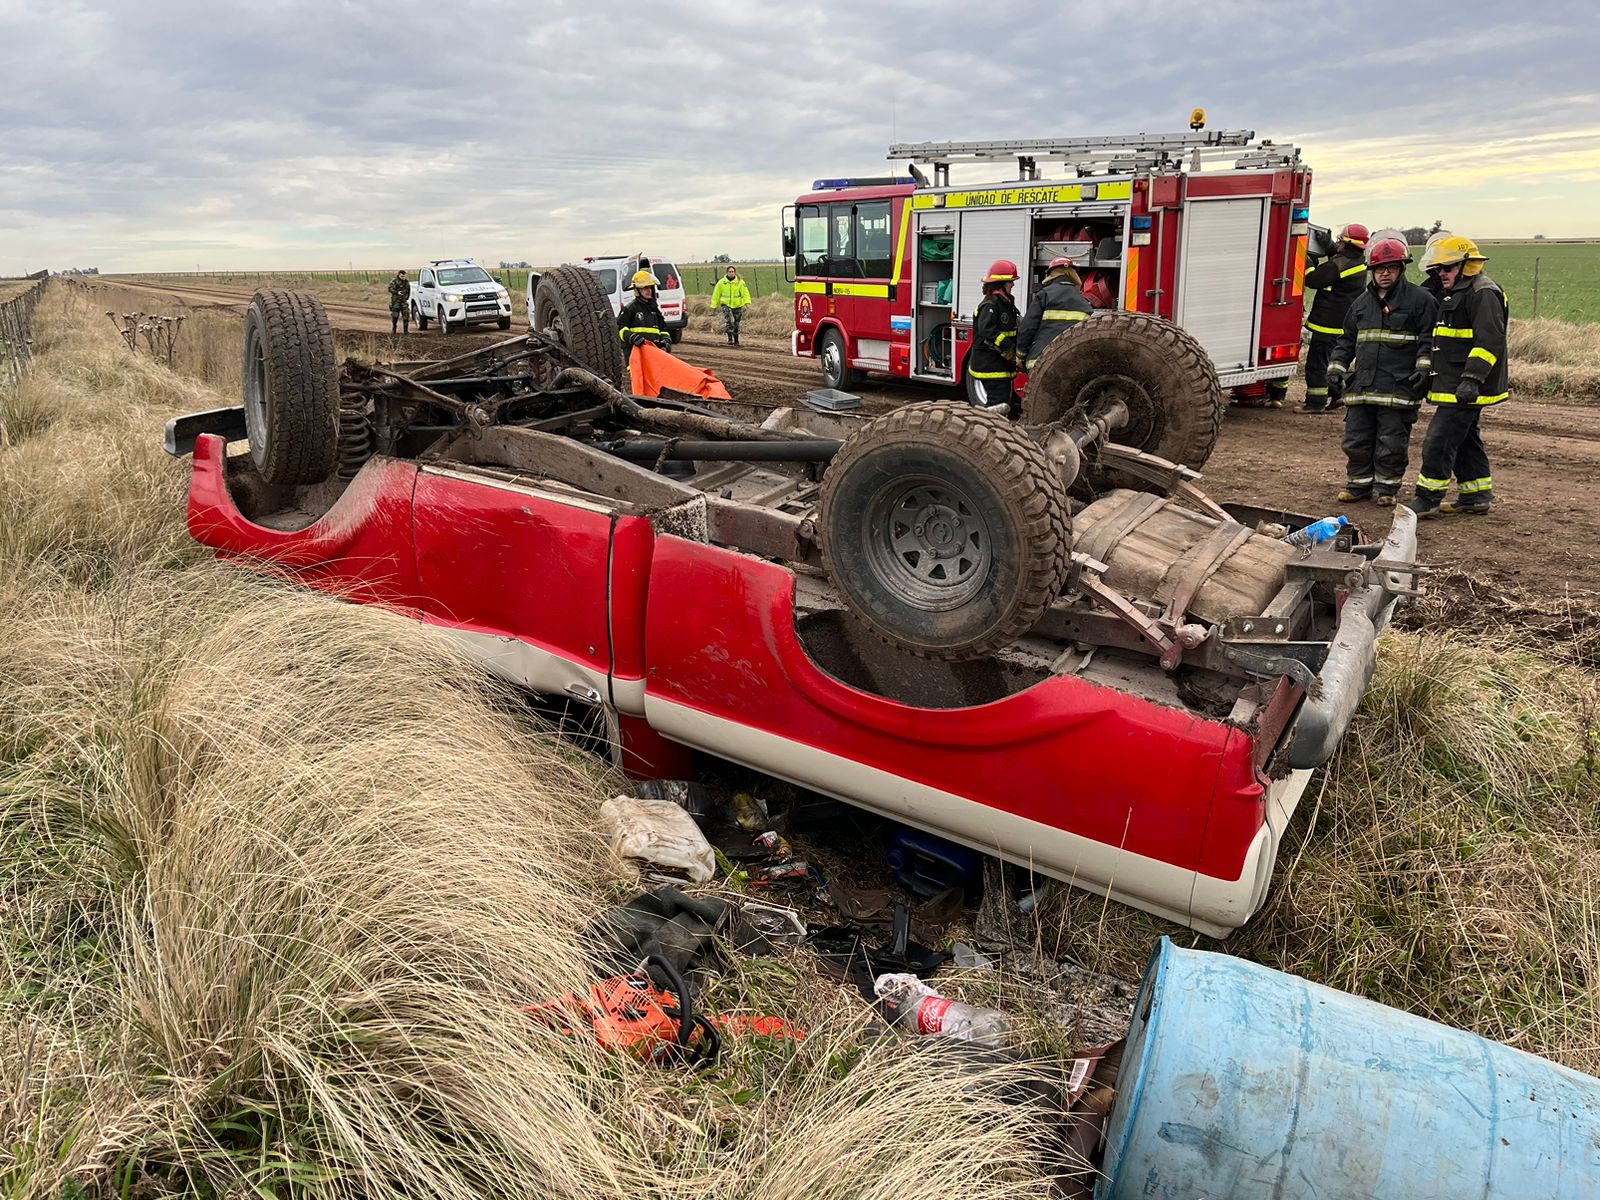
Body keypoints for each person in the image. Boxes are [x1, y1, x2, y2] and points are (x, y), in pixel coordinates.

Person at [1324, 236, 1437, 507]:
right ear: (1372, 272)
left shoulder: (1421, 301)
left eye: (1391, 268)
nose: (1385, 273)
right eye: (1379, 269)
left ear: (1401, 269)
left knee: (1392, 441)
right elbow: (1346, 340)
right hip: (1362, 386)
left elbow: (1430, 341)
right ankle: (1358, 485)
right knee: (1356, 439)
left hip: (1398, 387)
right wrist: (1336, 369)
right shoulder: (1361, 303)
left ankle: (1387, 489)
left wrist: (1423, 370)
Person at [1412, 235, 1508, 518]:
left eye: (1447, 268)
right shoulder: (1459, 290)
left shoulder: (1482, 293)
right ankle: (1476, 495)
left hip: (1465, 385)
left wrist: (1472, 380)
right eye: (1438, 268)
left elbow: (1489, 341)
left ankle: (1427, 498)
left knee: (1439, 440)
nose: (1441, 273)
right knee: (1465, 439)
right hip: (1454, 381)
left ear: (1467, 266)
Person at [1283, 222, 1369, 412]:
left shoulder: (1338, 265)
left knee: (1317, 365)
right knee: (1332, 363)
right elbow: (1337, 262)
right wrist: (1329, 246)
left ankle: (1315, 403)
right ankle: (1338, 394)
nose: (1337, 243)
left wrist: (1306, 262)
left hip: (1328, 324)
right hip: (1342, 323)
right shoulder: (1357, 261)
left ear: (1346, 244)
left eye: (1339, 241)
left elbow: (1314, 280)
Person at [1016, 256, 1093, 371]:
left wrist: (1020, 355)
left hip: (1041, 362)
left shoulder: (1045, 295)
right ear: (1073, 275)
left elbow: (1027, 328)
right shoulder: (1085, 303)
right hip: (1072, 366)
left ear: (1051, 275)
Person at [966, 259, 1021, 413]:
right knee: (997, 404)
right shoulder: (990, 305)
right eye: (1010, 282)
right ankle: (989, 432)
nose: (1013, 285)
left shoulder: (1004, 303)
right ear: (1001, 284)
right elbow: (986, 331)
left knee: (1003, 403)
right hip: (990, 365)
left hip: (999, 364)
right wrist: (1008, 348)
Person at [618, 269, 673, 351]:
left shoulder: (654, 309)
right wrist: (632, 337)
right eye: (645, 288)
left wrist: (666, 339)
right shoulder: (631, 308)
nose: (649, 290)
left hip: (653, 353)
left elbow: (662, 330)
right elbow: (620, 328)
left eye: (650, 287)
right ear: (637, 290)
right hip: (635, 352)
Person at [709, 266, 752, 347]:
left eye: (732, 271)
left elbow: (745, 294)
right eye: (729, 271)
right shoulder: (721, 283)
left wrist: (747, 303)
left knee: (736, 324)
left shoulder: (740, 282)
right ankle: (729, 337)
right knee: (731, 321)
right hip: (726, 305)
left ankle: (736, 341)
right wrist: (713, 306)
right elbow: (716, 295)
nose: (731, 273)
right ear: (727, 272)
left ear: (735, 272)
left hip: (737, 305)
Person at [388, 268, 410, 334]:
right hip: (396, 301)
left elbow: (408, 291)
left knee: (406, 316)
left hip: (403, 302)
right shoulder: (394, 281)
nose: (403, 277)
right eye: (402, 276)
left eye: (404, 276)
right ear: (399, 275)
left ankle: (406, 331)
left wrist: (406, 298)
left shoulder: (406, 282)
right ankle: (394, 329)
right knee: (395, 316)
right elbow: (390, 289)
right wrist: (397, 292)